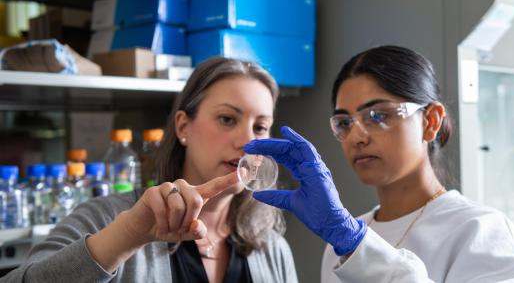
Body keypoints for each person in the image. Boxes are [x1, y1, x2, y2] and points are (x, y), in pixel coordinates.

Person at [244, 46, 514, 282]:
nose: (356, 136)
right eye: (344, 122)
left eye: (378, 115)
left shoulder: (481, 232)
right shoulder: (340, 244)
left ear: (430, 121)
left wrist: (355, 244)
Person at [2, 57, 297, 282]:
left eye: (260, 127)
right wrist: (128, 235)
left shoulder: (270, 246)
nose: (248, 142)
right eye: (227, 119)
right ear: (183, 126)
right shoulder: (107, 219)